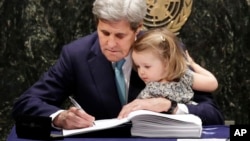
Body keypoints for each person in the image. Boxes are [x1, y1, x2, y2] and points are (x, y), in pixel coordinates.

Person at [12, 0, 224, 135]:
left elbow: (213, 115)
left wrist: (170, 107)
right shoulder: (76, 55)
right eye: (104, 33)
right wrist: (59, 117)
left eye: (120, 35)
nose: (110, 44)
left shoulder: (164, 49)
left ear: (138, 28)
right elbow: (26, 102)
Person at [131, 28, 218, 105]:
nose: (141, 72)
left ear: (167, 63)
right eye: (138, 66)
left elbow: (212, 83)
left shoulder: (184, 77)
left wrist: (193, 64)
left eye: (147, 66)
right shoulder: (148, 90)